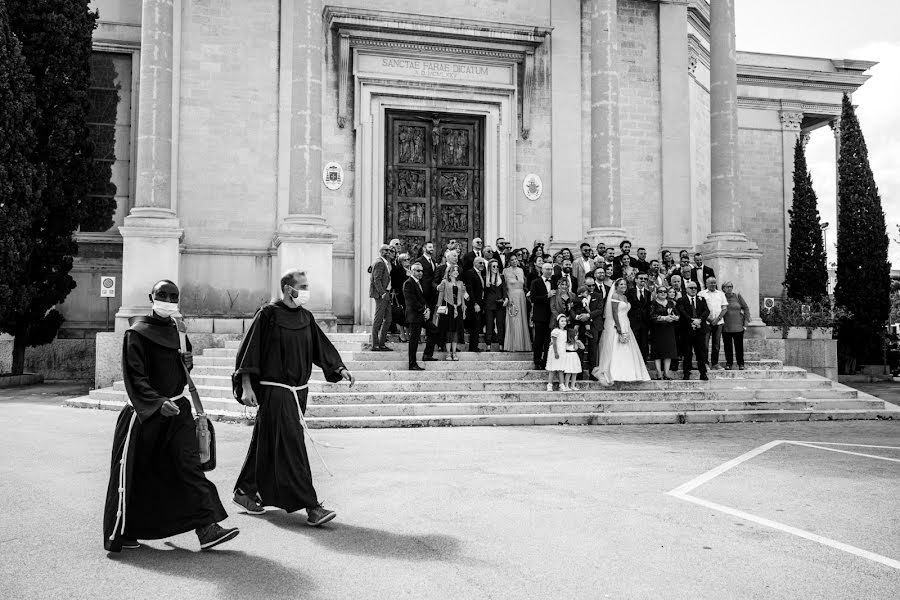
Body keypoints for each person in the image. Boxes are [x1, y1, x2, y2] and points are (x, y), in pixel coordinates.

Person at [104, 280, 239, 553]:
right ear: (151, 297)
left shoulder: (179, 330)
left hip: (178, 412)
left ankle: (207, 528)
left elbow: (178, 369)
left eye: (173, 296)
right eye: (162, 294)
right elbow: (135, 377)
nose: (167, 299)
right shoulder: (136, 333)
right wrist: (156, 402)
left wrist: (187, 364)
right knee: (138, 476)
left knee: (188, 467)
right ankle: (126, 532)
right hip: (145, 416)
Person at [232, 269, 354, 526]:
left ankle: (245, 490)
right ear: (288, 289)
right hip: (276, 391)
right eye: (303, 286)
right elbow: (249, 350)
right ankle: (311, 506)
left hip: (298, 393)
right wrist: (246, 385)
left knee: (269, 440)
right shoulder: (267, 315)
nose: (307, 290)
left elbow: (321, 346)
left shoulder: (305, 317)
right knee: (292, 446)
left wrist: (338, 368)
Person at [592, 278, 651, 385]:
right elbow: (614, 312)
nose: (623, 286)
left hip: (626, 322)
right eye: (621, 284)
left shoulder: (624, 297)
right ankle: (613, 373)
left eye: (625, 284)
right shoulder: (615, 296)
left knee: (627, 347)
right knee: (615, 346)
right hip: (617, 323)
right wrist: (618, 326)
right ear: (616, 286)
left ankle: (629, 372)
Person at [403, 262, 438, 369]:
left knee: (434, 330)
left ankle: (427, 354)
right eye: (418, 270)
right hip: (414, 316)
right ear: (412, 271)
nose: (420, 273)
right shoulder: (408, 283)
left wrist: (427, 309)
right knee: (414, 340)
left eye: (422, 271)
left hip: (421, 315)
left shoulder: (419, 283)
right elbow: (411, 302)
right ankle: (412, 364)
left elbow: (423, 299)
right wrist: (424, 310)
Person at [677, 281, 710, 380]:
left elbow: (706, 311)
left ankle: (703, 373)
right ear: (686, 289)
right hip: (687, 330)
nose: (693, 290)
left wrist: (699, 320)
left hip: (699, 329)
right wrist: (692, 321)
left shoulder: (701, 299)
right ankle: (686, 373)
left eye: (695, 288)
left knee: (701, 352)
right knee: (687, 352)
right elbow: (682, 311)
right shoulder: (681, 300)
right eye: (691, 288)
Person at [434, 263, 467, 360]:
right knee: (449, 330)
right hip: (449, 309)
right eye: (454, 270)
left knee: (456, 331)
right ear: (449, 273)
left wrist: (464, 309)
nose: (456, 272)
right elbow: (440, 297)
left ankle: (454, 353)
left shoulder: (460, 283)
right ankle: (448, 353)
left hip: (458, 308)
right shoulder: (444, 282)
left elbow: (462, 297)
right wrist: (438, 310)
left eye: (457, 270)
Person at [649, 286, 679, 380]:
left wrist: (675, 317)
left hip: (669, 329)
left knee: (668, 351)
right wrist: (664, 318)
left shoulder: (670, 303)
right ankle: (658, 372)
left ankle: (666, 373)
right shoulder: (653, 303)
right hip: (657, 329)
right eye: (660, 291)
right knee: (657, 351)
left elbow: (677, 314)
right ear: (657, 293)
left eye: (665, 291)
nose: (663, 293)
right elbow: (651, 316)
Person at [546, 314, 582, 392]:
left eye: (565, 321)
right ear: (558, 322)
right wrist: (555, 352)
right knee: (553, 369)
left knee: (561, 369)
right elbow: (554, 343)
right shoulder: (555, 331)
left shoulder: (566, 332)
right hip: (555, 351)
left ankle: (561, 384)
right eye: (561, 321)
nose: (563, 322)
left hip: (562, 352)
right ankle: (549, 385)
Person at [502, 254, 531, 352]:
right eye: (512, 260)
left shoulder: (521, 270)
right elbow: (504, 286)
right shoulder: (505, 271)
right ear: (509, 261)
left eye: (515, 259)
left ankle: (523, 345)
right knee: (513, 318)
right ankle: (513, 345)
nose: (514, 261)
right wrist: (507, 297)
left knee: (522, 318)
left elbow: (524, 284)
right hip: (512, 296)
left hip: (521, 296)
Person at [699, 276, 728, 370]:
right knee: (705, 344)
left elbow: (724, 308)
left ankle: (715, 363)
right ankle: (705, 363)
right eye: (711, 282)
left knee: (716, 345)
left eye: (714, 282)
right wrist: (710, 319)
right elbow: (700, 309)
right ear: (706, 284)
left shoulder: (721, 294)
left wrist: (717, 319)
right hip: (706, 323)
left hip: (719, 323)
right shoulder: (702, 294)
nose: (713, 284)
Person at [530, 262, 555, 369]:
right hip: (539, 315)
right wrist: (547, 296)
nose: (549, 271)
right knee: (538, 340)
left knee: (548, 340)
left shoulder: (554, 282)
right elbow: (533, 298)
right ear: (542, 270)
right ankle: (537, 361)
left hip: (551, 316)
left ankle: (546, 362)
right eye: (547, 269)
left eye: (551, 269)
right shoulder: (535, 282)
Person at [369, 244, 394, 351]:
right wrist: (382, 293)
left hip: (387, 293)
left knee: (388, 319)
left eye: (389, 250)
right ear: (381, 251)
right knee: (378, 319)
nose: (388, 252)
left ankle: (382, 343)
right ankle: (375, 344)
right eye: (386, 250)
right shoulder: (379, 262)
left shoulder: (386, 263)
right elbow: (376, 279)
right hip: (381, 294)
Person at [721, 281, 750, 370]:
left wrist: (746, 322)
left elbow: (746, 308)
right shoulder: (721, 297)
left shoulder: (737, 296)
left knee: (739, 347)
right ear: (723, 288)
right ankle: (729, 363)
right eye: (727, 286)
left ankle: (741, 363)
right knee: (728, 347)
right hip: (726, 326)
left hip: (738, 326)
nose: (730, 288)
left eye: (731, 286)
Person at [462, 257, 486, 352]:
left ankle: (474, 345)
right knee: (474, 326)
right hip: (474, 304)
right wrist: (475, 303)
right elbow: (470, 289)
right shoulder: (470, 273)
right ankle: (473, 347)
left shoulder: (481, 273)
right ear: (474, 263)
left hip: (480, 302)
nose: (482, 265)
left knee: (477, 325)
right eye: (480, 263)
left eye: (483, 263)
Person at [625, 272, 651, 360]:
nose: (643, 280)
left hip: (644, 323)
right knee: (634, 342)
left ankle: (643, 362)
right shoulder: (629, 292)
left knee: (644, 343)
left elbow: (648, 308)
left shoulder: (648, 293)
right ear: (636, 280)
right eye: (641, 278)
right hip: (633, 321)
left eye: (645, 279)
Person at [483, 259, 507, 351]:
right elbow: (484, 293)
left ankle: (501, 344)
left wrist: (506, 298)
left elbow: (504, 289)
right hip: (489, 304)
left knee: (500, 324)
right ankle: (488, 345)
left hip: (500, 303)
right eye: (494, 266)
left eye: (497, 266)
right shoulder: (486, 278)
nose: (496, 268)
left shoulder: (501, 277)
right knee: (489, 324)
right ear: (489, 267)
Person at [390, 252, 411, 342]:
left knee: (409, 315)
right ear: (400, 261)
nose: (407, 261)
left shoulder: (412, 270)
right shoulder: (397, 270)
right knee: (401, 315)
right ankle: (402, 334)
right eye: (404, 260)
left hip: (410, 296)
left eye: (408, 259)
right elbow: (394, 284)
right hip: (400, 296)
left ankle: (409, 334)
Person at [415, 241, 438, 313]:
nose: (432, 249)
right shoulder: (419, 260)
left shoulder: (433, 261)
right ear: (424, 249)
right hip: (424, 291)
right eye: (430, 247)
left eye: (432, 247)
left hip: (433, 292)